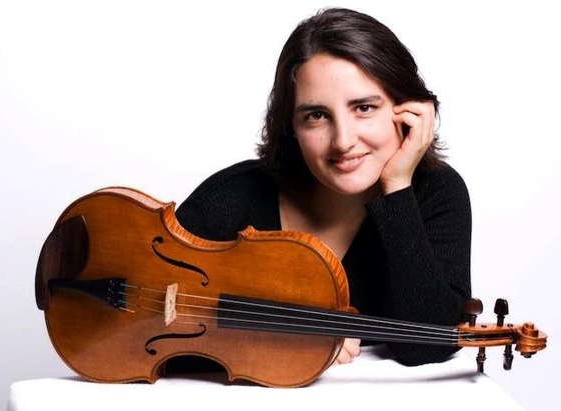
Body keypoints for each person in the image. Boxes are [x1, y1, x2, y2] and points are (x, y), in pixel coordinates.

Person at [168, 6, 471, 371]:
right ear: (290, 126)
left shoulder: (437, 193)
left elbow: (427, 346)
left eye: (364, 108)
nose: (342, 140)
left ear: (409, 110)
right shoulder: (231, 196)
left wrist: (397, 189)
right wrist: (282, 337)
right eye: (316, 115)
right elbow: (134, 322)